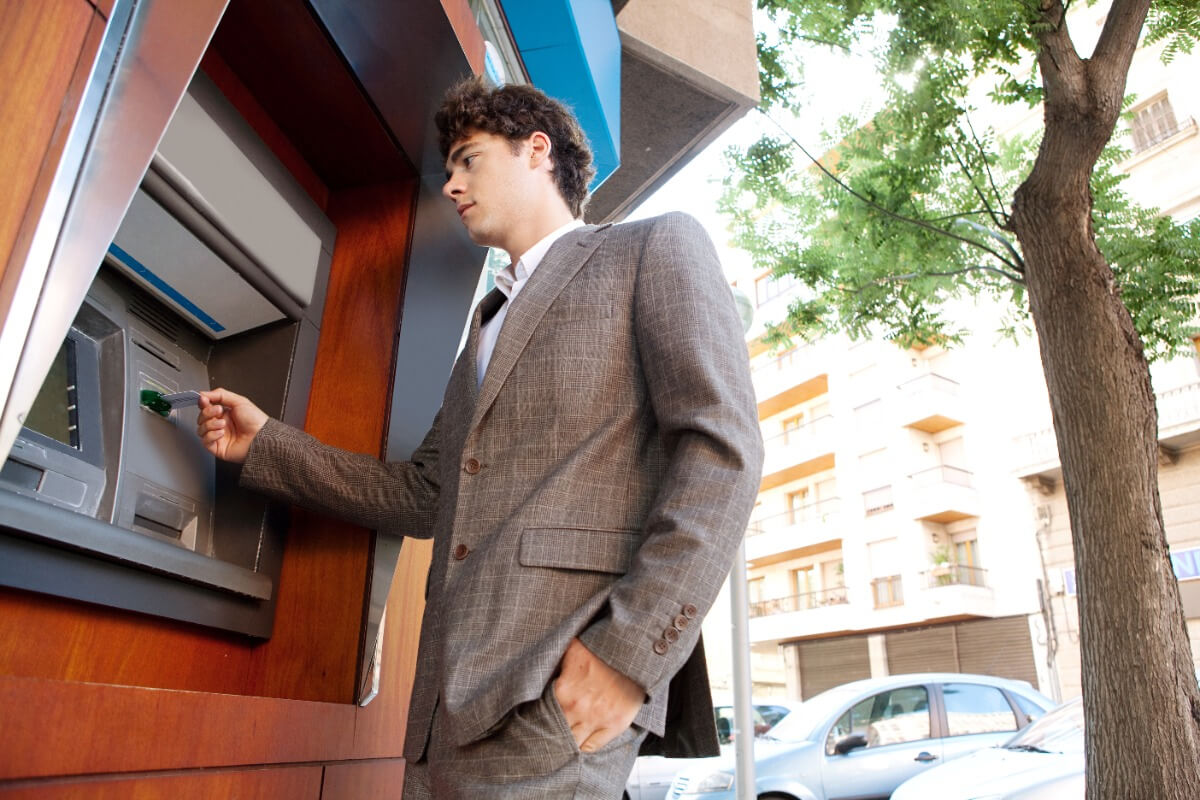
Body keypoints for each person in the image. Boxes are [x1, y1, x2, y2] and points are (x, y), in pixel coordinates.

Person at [196, 76, 763, 799]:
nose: (453, 185)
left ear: (536, 150)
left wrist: (629, 655)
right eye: (449, 169)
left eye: (468, 159)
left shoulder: (651, 248)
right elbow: (423, 493)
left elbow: (722, 451)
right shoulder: (485, 328)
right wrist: (267, 445)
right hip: (441, 714)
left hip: (556, 697)